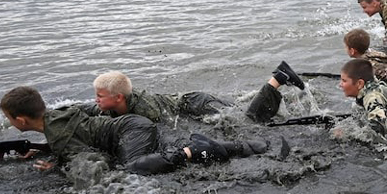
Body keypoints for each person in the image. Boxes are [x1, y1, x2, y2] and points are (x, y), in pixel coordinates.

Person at [0, 87, 286, 176]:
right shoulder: (57, 114)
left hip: (132, 131)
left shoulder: (57, 134)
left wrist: (58, 168)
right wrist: (48, 152)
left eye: (9, 119)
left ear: (22, 120)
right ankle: (230, 146)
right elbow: (79, 130)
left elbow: (92, 162)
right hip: (132, 127)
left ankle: (190, 151)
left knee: (132, 170)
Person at [85, 62, 305, 124]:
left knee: (247, 122)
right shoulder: (118, 104)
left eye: (100, 96)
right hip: (194, 101)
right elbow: (90, 110)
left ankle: (278, 78)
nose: (96, 100)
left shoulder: (144, 110)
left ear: (118, 98)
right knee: (240, 111)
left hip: (196, 104)